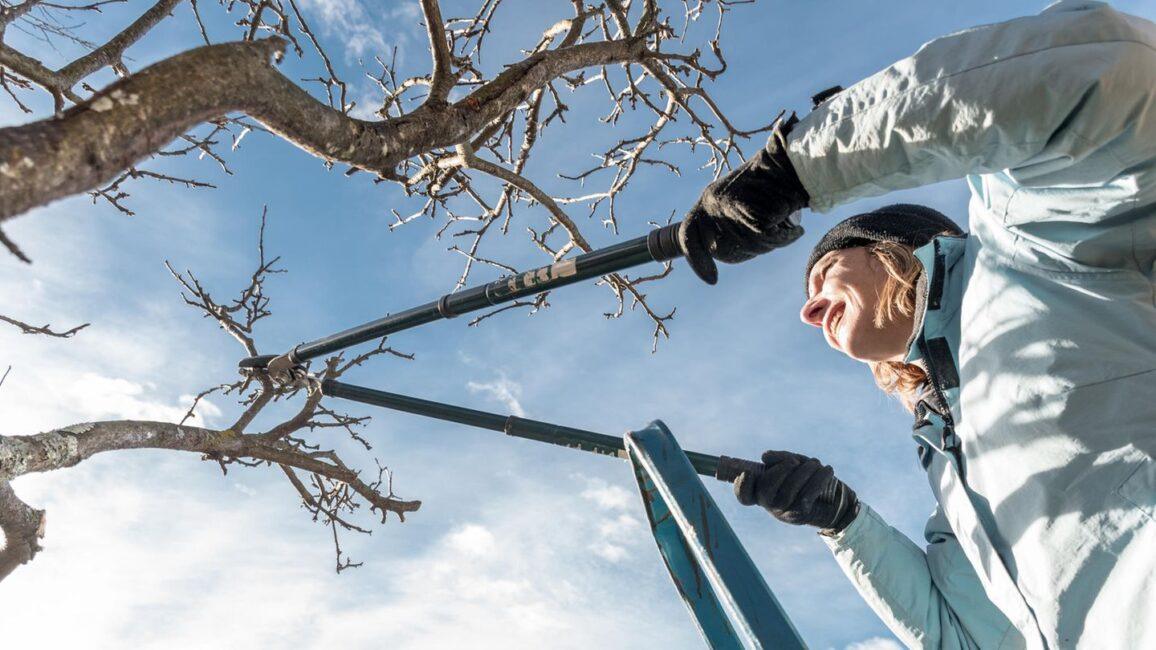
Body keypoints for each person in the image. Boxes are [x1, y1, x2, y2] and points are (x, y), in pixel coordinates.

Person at [679, 2, 1156, 648]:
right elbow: (959, 635)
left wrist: (805, 166)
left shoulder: (1030, 246)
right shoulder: (954, 470)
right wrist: (843, 521)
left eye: (824, 274)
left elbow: (1116, 70)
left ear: (891, 248)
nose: (808, 309)